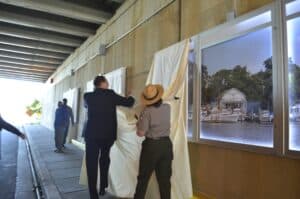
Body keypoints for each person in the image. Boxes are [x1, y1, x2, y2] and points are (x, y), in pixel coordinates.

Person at [84, 75, 135, 199]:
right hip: (107, 136)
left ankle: (93, 195)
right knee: (104, 159)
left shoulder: (87, 96)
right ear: (103, 83)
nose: (108, 84)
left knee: (91, 164)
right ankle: (102, 187)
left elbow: (87, 106)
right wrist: (130, 96)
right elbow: (128, 103)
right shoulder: (110, 94)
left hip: (91, 135)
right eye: (107, 82)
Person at [134, 84, 173, 199]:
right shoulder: (167, 107)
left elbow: (141, 133)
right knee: (165, 181)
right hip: (166, 146)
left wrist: (138, 124)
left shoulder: (147, 112)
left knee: (143, 179)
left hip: (151, 147)